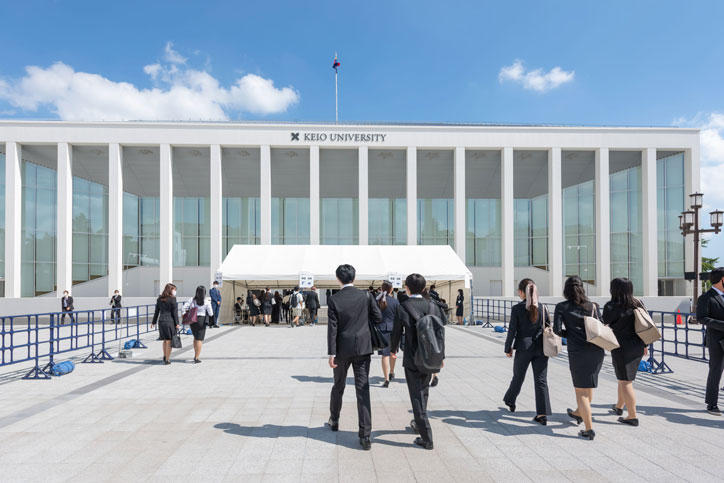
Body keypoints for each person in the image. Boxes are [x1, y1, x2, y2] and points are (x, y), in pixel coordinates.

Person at [327, 264, 383, 450]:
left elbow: (332, 328)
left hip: (341, 350)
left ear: (338, 279)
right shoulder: (365, 296)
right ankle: (365, 435)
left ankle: (334, 419)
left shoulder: (334, 299)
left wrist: (332, 353)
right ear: (354, 277)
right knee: (362, 389)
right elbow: (378, 318)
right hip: (362, 348)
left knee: (338, 385)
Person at [391, 273, 446, 450]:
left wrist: (393, 350)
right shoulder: (433, 305)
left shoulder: (403, 307)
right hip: (431, 356)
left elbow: (396, 332)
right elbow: (440, 331)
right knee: (424, 391)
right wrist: (442, 356)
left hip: (412, 357)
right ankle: (418, 422)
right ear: (423, 288)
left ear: (407, 288)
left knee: (416, 395)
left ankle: (426, 437)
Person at [554, 276, 604, 440]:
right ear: (582, 288)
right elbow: (602, 326)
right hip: (596, 350)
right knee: (588, 387)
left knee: (580, 391)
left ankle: (589, 429)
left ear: (566, 290)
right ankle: (578, 412)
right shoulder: (593, 306)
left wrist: (571, 334)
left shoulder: (562, 307)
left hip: (577, 352)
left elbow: (557, 330)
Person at [503, 278, 551, 425]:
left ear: (522, 292)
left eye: (519, 291)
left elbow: (512, 330)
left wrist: (508, 348)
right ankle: (542, 414)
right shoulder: (543, 307)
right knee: (541, 380)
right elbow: (548, 327)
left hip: (523, 348)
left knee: (518, 377)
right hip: (541, 349)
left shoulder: (517, 309)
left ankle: (510, 400)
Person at [602, 278, 647, 426]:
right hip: (638, 345)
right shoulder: (637, 303)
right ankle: (619, 406)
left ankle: (632, 416)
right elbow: (645, 323)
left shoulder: (611, 306)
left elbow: (604, 322)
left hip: (620, 347)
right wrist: (645, 344)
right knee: (623, 378)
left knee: (626, 381)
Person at [696, 266, 724, 416]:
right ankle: (712, 404)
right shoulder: (706, 297)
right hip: (716, 341)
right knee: (716, 371)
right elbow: (702, 318)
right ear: (722, 279)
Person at [182, 285, 214, 363]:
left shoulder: (192, 300)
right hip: (201, 320)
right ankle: (196, 357)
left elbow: (184, 307)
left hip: (193, 320)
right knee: (199, 339)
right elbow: (211, 313)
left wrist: (184, 314)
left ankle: (195, 354)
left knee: (195, 337)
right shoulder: (206, 301)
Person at [376, 281, 399, 387]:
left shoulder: (377, 300)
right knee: (393, 352)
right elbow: (399, 317)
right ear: (391, 289)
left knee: (384, 355)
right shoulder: (395, 302)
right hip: (394, 330)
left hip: (381, 329)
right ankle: (392, 372)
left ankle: (386, 379)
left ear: (381, 289)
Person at [151, 283, 179, 365]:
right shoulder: (173, 299)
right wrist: (177, 323)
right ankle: (167, 359)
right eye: (174, 290)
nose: (175, 291)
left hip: (161, 321)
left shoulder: (160, 298)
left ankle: (165, 355)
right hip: (169, 321)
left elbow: (157, 311)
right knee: (169, 341)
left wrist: (153, 322)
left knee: (165, 340)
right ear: (170, 290)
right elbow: (175, 313)